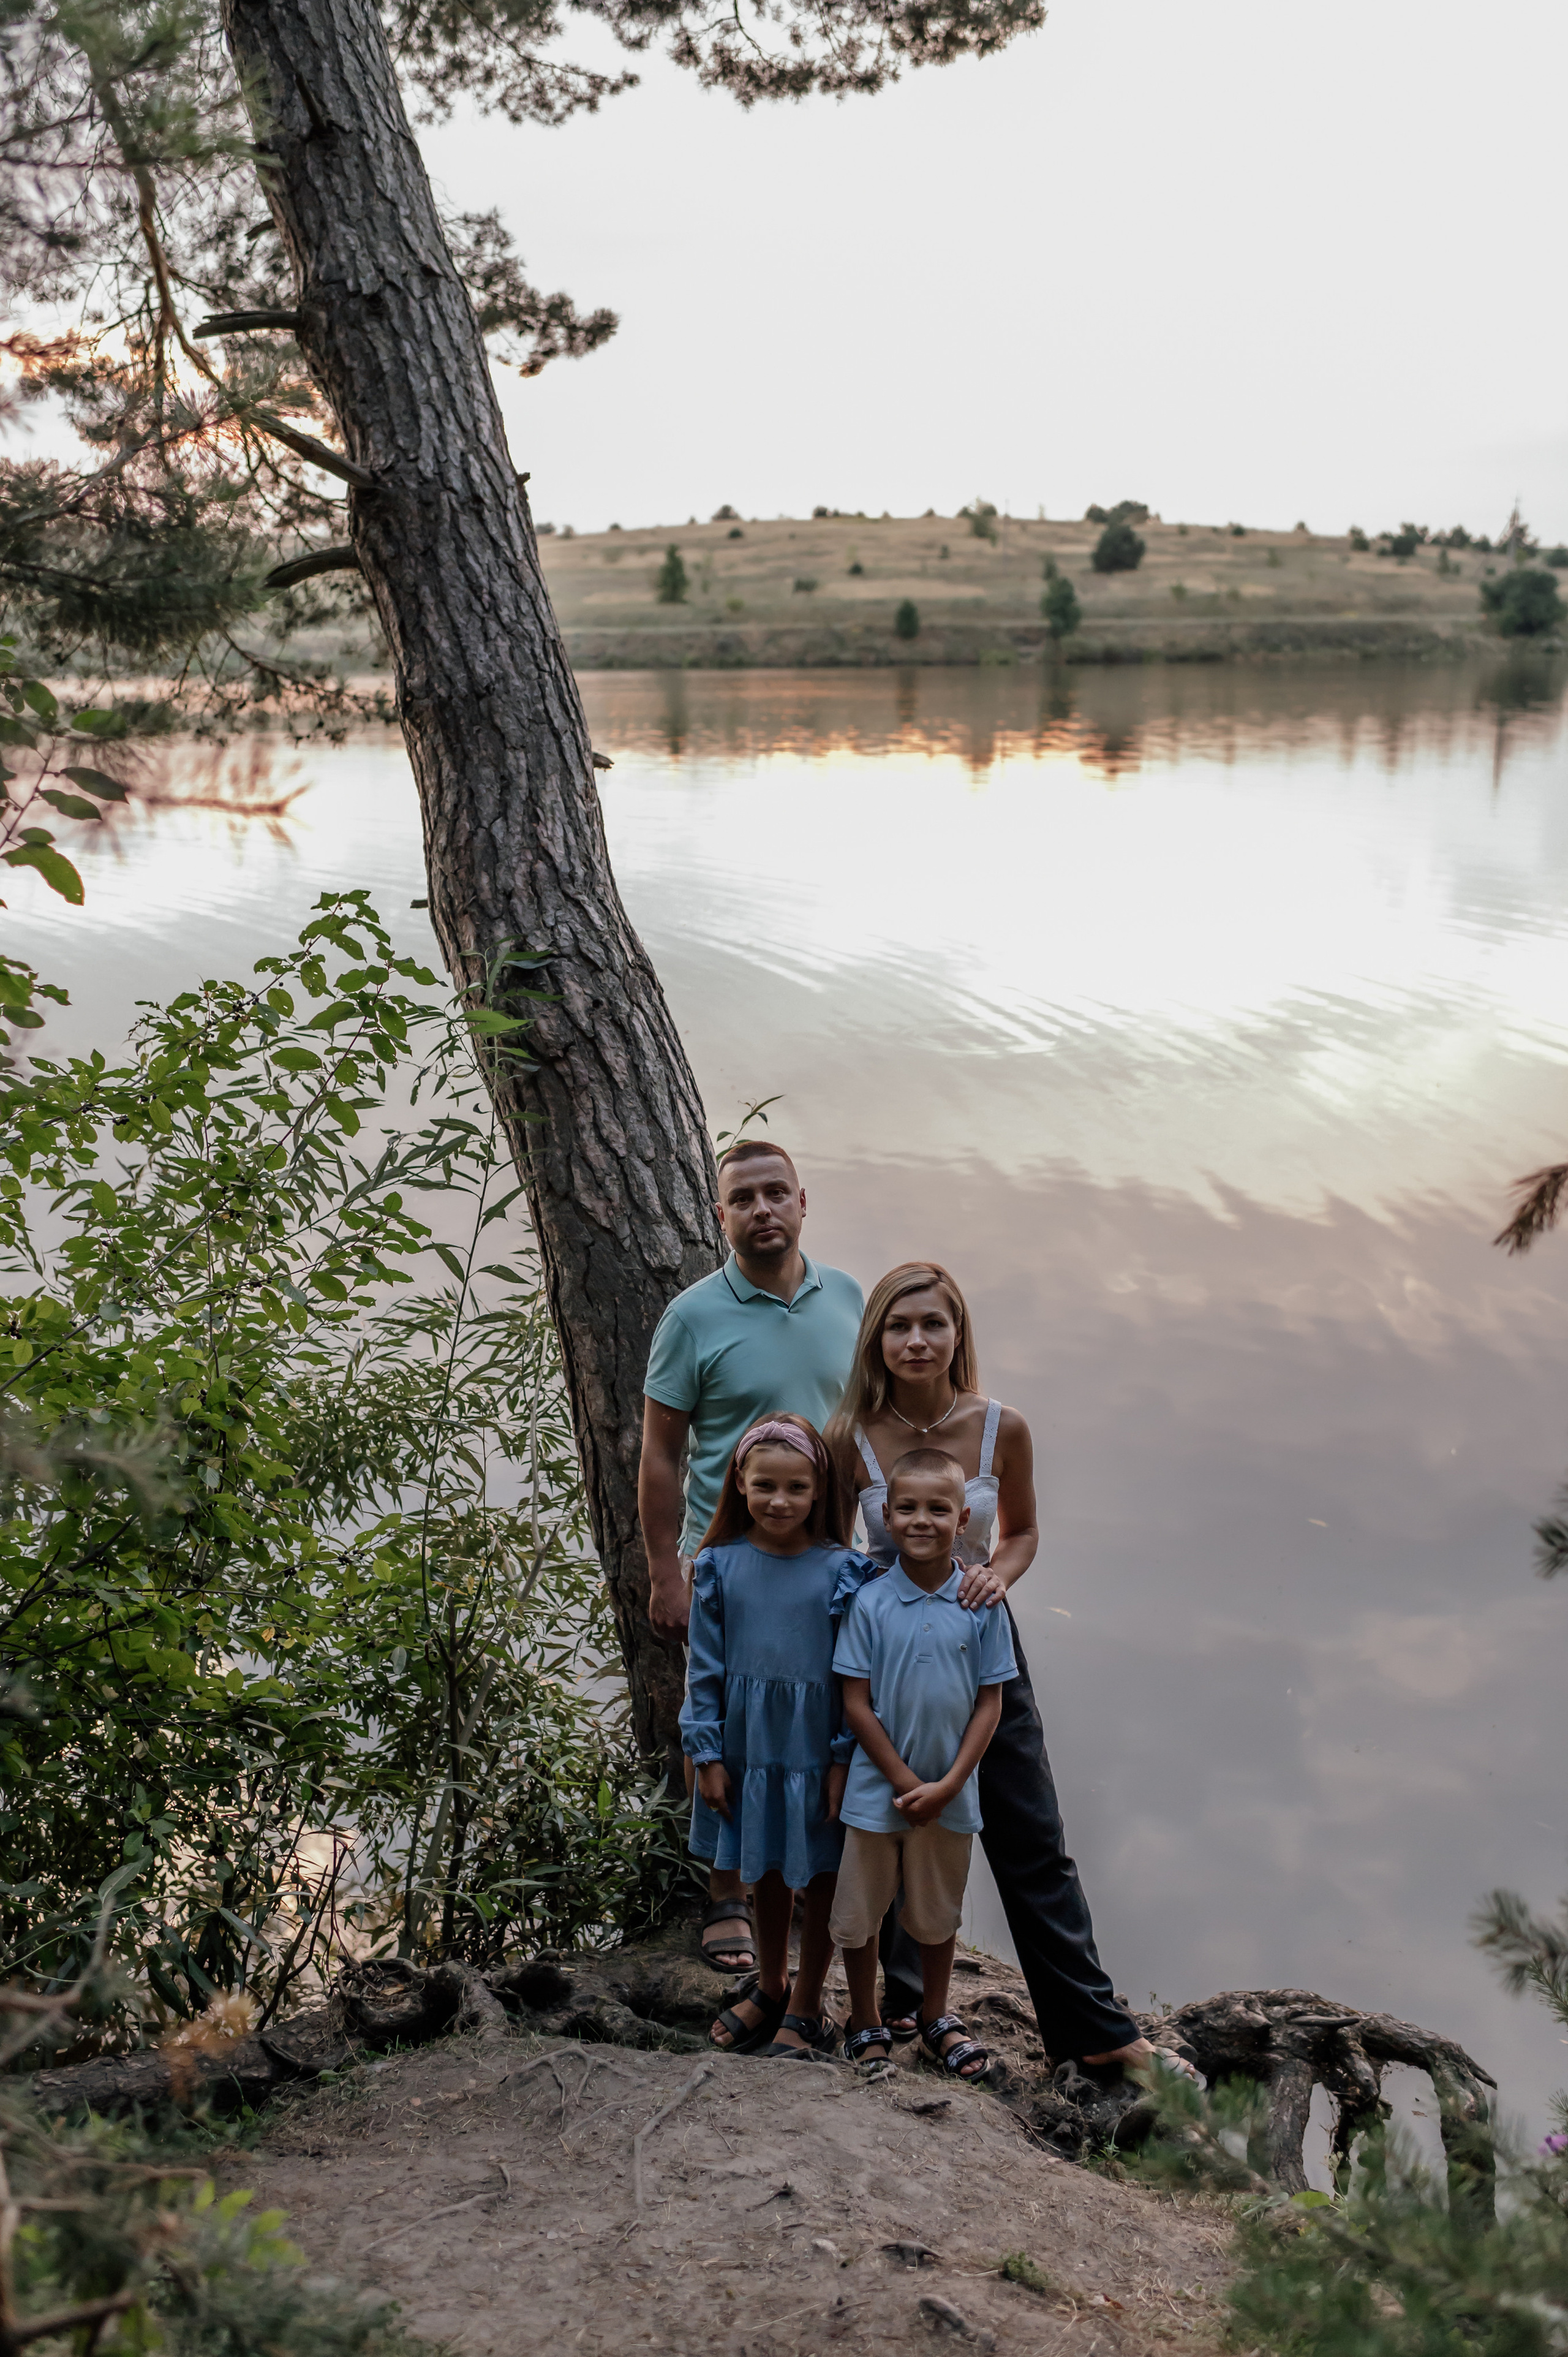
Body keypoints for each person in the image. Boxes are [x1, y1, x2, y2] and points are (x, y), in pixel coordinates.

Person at [826, 1262, 1157, 2073]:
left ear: (957, 1334)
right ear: (876, 1338)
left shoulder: (1000, 1425)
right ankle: (902, 2006)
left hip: (978, 1635)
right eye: (898, 1325)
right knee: (896, 1811)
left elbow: (1021, 1532)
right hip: (888, 1642)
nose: (915, 1339)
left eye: (932, 1323)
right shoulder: (850, 1434)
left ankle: (1094, 2033)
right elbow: (837, 1553)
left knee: (1029, 1828)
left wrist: (997, 1574)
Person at [641, 1139, 863, 1974]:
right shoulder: (692, 1316)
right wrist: (667, 1567)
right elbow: (661, 1452)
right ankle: (727, 1889)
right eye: (745, 1197)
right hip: (728, 1560)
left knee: (817, 1716)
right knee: (731, 1721)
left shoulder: (846, 1296)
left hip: (832, 1556)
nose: (763, 1209)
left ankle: (806, 1878)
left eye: (777, 1193)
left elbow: (867, 1423)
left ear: (804, 1201)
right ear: (721, 1212)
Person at [680, 1414, 873, 2056]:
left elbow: (855, 1678)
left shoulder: (845, 1571)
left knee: (818, 1873)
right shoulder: (717, 1565)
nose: (780, 1501)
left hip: (816, 1750)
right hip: (749, 1748)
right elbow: (701, 1672)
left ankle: (809, 1999)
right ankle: (769, 1981)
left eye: (796, 1487)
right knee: (761, 1867)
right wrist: (705, 1753)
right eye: (765, 1485)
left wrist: (845, 1759)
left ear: (820, 1490)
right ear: (739, 1481)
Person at [831, 1446, 1016, 2078]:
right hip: (875, 1790)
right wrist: (907, 1781)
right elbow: (855, 1704)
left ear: (962, 1518)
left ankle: (936, 2015)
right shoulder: (870, 1603)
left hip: (951, 1792)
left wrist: (950, 1783)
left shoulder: (980, 1603)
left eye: (937, 1509)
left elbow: (989, 1706)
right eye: (906, 1507)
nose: (920, 1520)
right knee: (859, 1915)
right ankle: (864, 2018)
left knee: (937, 1914)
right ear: (885, 1514)